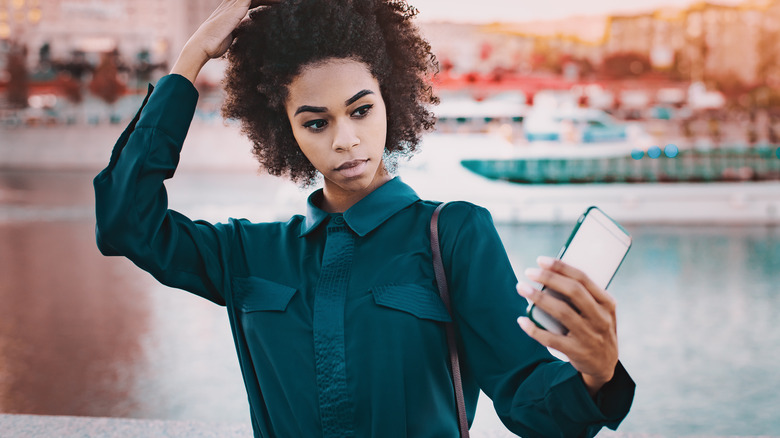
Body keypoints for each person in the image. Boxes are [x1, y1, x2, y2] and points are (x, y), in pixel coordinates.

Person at [93, 0, 635, 436]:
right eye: (315, 122)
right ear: (284, 130)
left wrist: (597, 374)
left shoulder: (455, 236)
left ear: (389, 100)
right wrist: (188, 63)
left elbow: (527, 399)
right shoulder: (247, 254)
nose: (346, 139)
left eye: (360, 109)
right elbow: (125, 222)